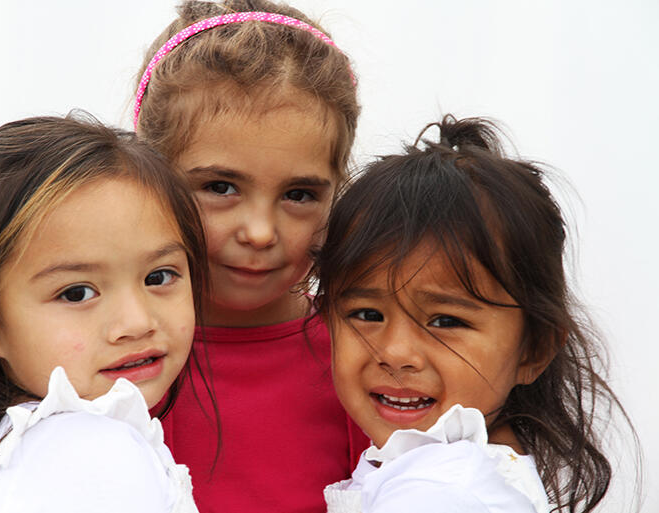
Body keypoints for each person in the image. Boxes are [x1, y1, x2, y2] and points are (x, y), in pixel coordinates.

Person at [315, 116, 635, 512]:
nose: (396, 352)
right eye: (366, 314)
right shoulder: (448, 475)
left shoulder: (439, 491)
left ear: (532, 350)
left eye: (446, 321)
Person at [0, 114, 209, 513]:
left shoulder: (33, 450)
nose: (136, 322)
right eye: (77, 293)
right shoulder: (93, 453)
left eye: (159, 276)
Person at [132, 2, 367, 512]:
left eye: (299, 195)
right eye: (221, 186)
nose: (260, 232)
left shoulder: (367, 357)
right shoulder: (107, 352)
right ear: (148, 178)